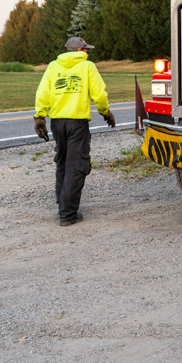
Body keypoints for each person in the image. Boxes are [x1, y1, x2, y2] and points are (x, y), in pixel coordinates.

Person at [34, 37, 115, 226]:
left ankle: (62, 203)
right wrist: (106, 113)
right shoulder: (87, 67)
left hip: (57, 123)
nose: (87, 53)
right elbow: (99, 94)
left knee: (62, 161)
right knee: (76, 165)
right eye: (86, 50)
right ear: (79, 50)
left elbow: (43, 92)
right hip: (77, 123)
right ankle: (68, 214)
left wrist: (40, 117)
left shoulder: (53, 67)